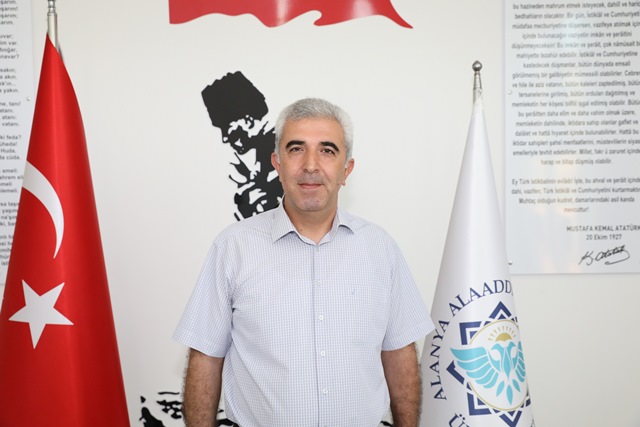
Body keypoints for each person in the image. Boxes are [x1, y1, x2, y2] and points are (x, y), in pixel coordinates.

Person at [173, 98, 435, 427]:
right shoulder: (233, 247)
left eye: (327, 150)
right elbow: (205, 357)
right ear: (277, 163)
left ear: (346, 169)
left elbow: (400, 354)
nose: (311, 165)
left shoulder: (380, 249)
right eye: (296, 149)